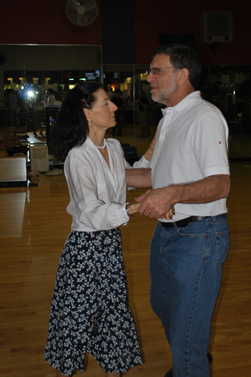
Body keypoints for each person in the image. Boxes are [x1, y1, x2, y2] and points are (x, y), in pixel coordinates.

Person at [126, 44, 231, 377]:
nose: (149, 78)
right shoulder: (170, 118)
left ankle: (190, 363)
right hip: (166, 236)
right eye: (149, 71)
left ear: (183, 75)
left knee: (186, 340)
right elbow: (153, 175)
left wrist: (171, 193)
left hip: (199, 237)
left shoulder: (204, 117)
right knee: (164, 306)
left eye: (157, 71)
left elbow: (221, 184)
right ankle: (191, 359)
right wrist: (95, 173)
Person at [44, 81, 152, 377]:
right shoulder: (79, 156)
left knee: (113, 322)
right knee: (75, 327)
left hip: (110, 249)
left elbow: (129, 177)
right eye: (106, 103)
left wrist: (160, 139)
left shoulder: (114, 147)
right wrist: (134, 208)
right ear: (87, 113)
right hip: (85, 252)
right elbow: (90, 213)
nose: (114, 106)